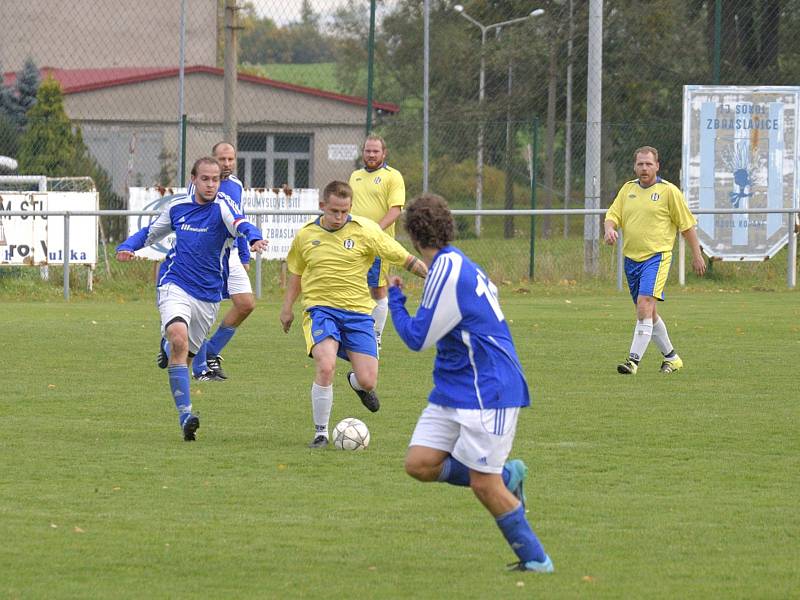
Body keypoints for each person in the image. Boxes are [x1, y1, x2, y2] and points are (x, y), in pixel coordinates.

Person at [387, 193, 553, 573]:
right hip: (454, 386)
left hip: (489, 389)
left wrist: (392, 298)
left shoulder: (448, 270)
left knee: (484, 485)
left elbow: (418, 338)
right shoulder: (456, 263)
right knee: (420, 463)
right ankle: (508, 474)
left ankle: (537, 559)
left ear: (413, 236)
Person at [117, 157, 268, 441]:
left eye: (215, 179)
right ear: (193, 180)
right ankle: (186, 416)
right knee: (178, 339)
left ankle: (168, 344)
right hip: (175, 283)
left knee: (183, 356)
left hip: (208, 296)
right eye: (205, 179)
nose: (211, 184)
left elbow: (241, 223)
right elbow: (150, 233)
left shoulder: (223, 207)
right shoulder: (177, 208)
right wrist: (127, 246)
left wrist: (253, 238)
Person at [279, 180, 427, 448]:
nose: (339, 217)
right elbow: (297, 273)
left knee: (369, 380)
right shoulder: (305, 236)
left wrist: (435, 275)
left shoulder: (365, 231)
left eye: (345, 211)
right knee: (325, 365)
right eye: (334, 210)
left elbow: (403, 257)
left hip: (358, 313)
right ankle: (321, 433)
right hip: (320, 309)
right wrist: (287, 307)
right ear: (322, 206)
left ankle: (357, 384)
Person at [604, 145, 706, 375]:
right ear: (634, 166)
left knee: (644, 305)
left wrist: (697, 254)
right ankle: (672, 358)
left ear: (657, 166)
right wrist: (609, 229)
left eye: (649, 164)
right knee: (648, 313)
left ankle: (632, 362)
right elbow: (612, 215)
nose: (644, 168)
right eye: (640, 164)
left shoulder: (669, 191)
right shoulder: (627, 190)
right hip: (631, 260)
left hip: (656, 257)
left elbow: (687, 226)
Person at [185, 141, 255, 381]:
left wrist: (244, 255)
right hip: (208, 254)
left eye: (231, 159)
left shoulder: (236, 185)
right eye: (222, 159)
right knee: (204, 307)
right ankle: (200, 367)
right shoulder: (197, 187)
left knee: (246, 304)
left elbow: (240, 218)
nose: (227, 164)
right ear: (212, 160)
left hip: (231, 253)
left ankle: (211, 351)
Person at [348, 135, 406, 350]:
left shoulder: (392, 177)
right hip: (354, 244)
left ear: (384, 153)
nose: (371, 155)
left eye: (375, 151)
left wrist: (374, 231)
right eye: (367, 151)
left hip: (378, 243)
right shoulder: (355, 176)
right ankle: (357, 332)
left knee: (377, 289)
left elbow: (395, 209)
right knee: (355, 288)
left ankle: (376, 336)